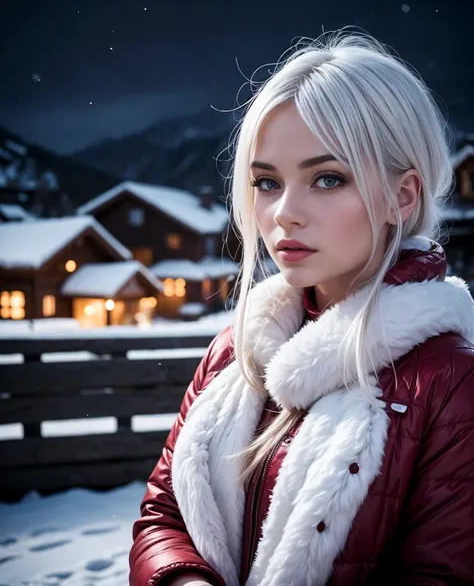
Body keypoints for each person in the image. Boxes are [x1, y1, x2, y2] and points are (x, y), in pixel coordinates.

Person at [129, 30, 474, 586]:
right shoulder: (236, 351)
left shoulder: (450, 381)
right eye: (266, 182)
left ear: (402, 196)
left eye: (327, 178)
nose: (284, 213)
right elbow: (164, 513)